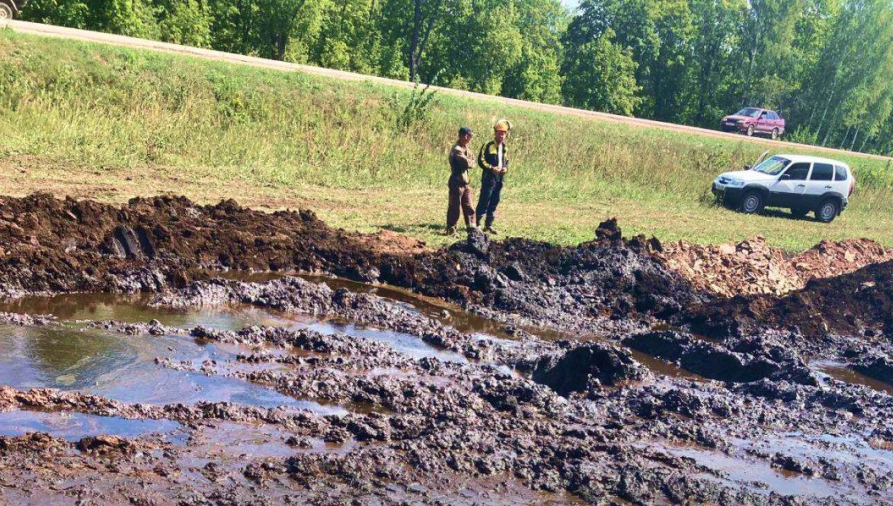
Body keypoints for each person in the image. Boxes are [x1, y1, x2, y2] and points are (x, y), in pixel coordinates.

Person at [475, 119, 511, 234]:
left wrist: (505, 168)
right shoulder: (488, 145)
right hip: (489, 178)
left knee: (495, 200)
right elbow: (481, 160)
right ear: (495, 133)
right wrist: (491, 168)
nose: (501, 135)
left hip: (499, 179)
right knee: (484, 200)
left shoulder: (504, 147)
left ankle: (489, 225)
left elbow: (506, 161)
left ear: (506, 135)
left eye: (503, 133)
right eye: (499, 133)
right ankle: (477, 224)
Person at [446, 126, 477, 236]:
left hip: (465, 182)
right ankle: (451, 228)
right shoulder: (457, 149)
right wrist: (471, 162)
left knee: (469, 206)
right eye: (470, 136)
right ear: (465, 136)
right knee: (454, 207)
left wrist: (471, 162)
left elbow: (474, 161)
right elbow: (467, 163)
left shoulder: (466, 149)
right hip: (456, 181)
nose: (470, 139)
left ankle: (472, 227)